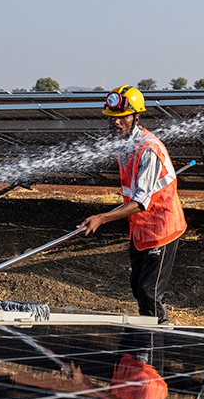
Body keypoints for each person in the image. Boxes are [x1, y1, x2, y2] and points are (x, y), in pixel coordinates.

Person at [77, 85, 187, 324]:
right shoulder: (125, 145)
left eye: (122, 117)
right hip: (141, 230)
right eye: (112, 118)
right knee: (138, 289)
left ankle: (157, 340)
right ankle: (145, 342)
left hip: (162, 228)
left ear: (136, 117)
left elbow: (140, 202)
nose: (115, 122)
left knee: (150, 292)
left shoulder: (148, 149)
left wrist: (101, 218)